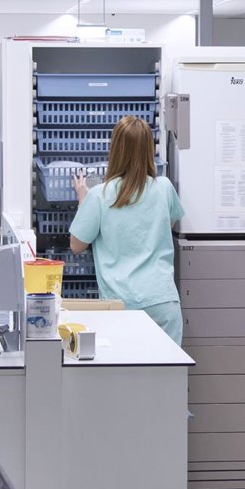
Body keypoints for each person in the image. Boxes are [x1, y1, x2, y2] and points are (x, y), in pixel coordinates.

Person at [69, 116, 186, 344]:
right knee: (167, 368)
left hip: (122, 305)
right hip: (163, 303)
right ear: (149, 150)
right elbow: (167, 225)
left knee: (125, 368)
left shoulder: (99, 195)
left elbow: (76, 245)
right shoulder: (164, 188)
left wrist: (83, 200)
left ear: (115, 150)